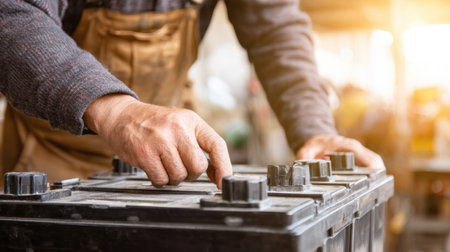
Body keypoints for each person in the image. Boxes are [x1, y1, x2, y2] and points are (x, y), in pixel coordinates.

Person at [0, 0, 383, 189]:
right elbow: (11, 11)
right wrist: (115, 112)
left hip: (174, 163)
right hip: (50, 154)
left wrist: (314, 128)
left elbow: (275, 31)